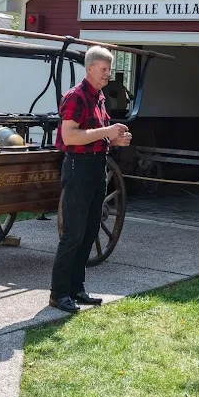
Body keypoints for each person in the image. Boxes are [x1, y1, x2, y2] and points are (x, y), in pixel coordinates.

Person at [49, 46, 132, 313]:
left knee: (89, 231)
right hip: (78, 167)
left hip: (97, 167)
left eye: (109, 70)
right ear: (90, 69)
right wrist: (107, 130)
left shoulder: (98, 97)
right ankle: (58, 293)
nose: (108, 75)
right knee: (73, 233)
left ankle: (77, 288)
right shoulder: (76, 97)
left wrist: (118, 138)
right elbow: (71, 136)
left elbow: (99, 134)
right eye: (103, 70)